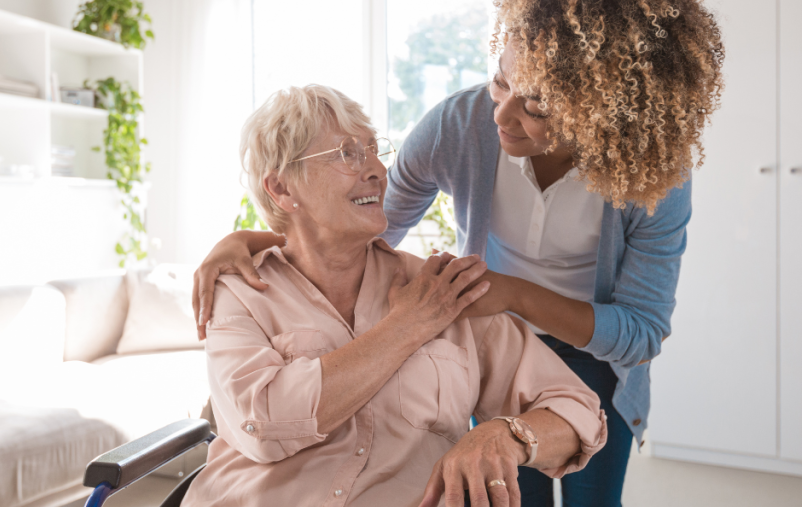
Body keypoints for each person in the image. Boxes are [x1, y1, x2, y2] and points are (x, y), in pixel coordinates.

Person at [192, 0, 723, 505]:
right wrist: (256, 238)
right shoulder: (461, 126)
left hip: (580, 346)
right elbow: (367, 224)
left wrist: (511, 296)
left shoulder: (653, 172)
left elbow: (642, 330)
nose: (501, 113)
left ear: (600, 112)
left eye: (536, 105)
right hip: (486, 315)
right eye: (500, 81)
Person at [182, 85, 607, 507]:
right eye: (347, 153)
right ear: (281, 189)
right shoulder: (239, 290)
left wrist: (507, 436)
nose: (376, 170)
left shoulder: (443, 290)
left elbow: (580, 412)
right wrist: (407, 326)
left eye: (373, 150)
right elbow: (265, 424)